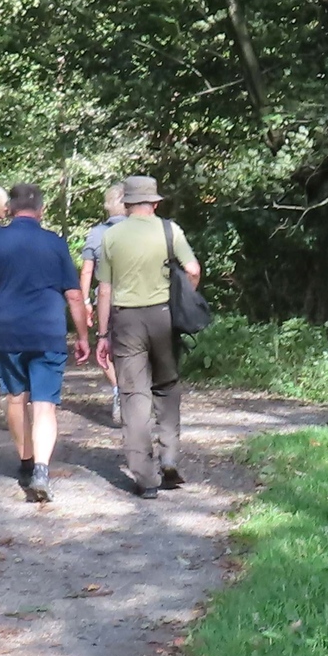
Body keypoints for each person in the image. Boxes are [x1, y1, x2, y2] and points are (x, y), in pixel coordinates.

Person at [0, 183, 92, 503]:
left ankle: (25, 461)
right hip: (47, 332)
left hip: (6, 332)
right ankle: (41, 469)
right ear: (40, 210)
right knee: (44, 404)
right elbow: (74, 295)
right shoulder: (55, 243)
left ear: (10, 209)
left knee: (16, 399)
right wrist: (83, 336)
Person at [95, 176, 200, 499]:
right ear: (154, 203)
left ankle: (145, 478)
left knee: (134, 395)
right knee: (167, 386)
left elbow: (104, 290)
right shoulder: (170, 230)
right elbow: (193, 269)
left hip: (126, 320)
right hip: (163, 316)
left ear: (126, 204)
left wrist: (102, 334)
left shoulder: (111, 236)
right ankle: (169, 458)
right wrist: (183, 299)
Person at [80, 183, 126, 426]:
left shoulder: (97, 233)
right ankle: (134, 392)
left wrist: (85, 301)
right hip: (138, 299)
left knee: (105, 346)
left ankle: (118, 389)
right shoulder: (141, 230)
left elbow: (87, 270)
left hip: (106, 300)